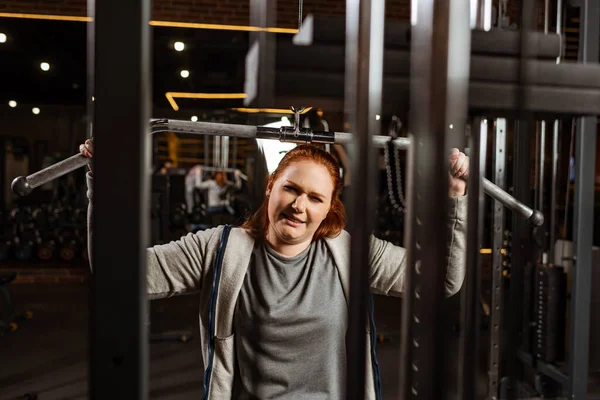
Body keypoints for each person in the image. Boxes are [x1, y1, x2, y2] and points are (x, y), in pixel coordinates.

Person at [79, 138, 469, 399]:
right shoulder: (220, 249)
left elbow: (443, 280)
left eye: (316, 198)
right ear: (270, 186)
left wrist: (454, 196)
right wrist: (105, 181)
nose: (300, 205)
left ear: (328, 207)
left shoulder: (353, 254)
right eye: (291, 189)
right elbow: (118, 273)